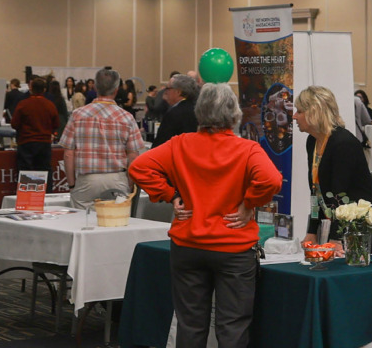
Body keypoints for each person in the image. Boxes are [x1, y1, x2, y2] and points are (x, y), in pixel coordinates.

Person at [129, 83, 282, 348]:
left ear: (199, 112)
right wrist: (249, 203)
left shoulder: (180, 144)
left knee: (190, 323)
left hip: (188, 244)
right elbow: (271, 180)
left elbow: (138, 167)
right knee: (233, 325)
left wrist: (170, 195)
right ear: (234, 114)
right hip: (233, 247)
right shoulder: (247, 149)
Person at [292, 86, 372, 256]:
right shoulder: (312, 141)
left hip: (357, 231)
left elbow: (341, 195)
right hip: (335, 225)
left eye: (299, 111)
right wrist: (312, 231)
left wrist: (336, 239)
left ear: (314, 112)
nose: (294, 116)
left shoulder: (343, 143)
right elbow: (315, 192)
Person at [59, 68, 144, 209]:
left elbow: (68, 154)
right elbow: (133, 156)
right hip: (117, 178)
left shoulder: (77, 115)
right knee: (116, 219)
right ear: (116, 90)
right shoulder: (127, 117)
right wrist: (129, 184)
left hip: (87, 179)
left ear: (95, 87)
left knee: (82, 220)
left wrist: (72, 184)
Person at [11, 77, 59, 193]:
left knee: (27, 171)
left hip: (26, 142)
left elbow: (14, 124)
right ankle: (46, 196)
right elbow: (56, 124)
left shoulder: (23, 104)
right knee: (45, 170)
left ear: (31, 88)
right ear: (44, 89)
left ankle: (28, 197)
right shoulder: (50, 105)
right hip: (44, 143)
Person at [151, 74, 198, 148]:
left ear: (178, 92)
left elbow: (161, 143)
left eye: (168, 88)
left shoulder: (173, 114)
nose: (165, 91)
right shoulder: (198, 110)